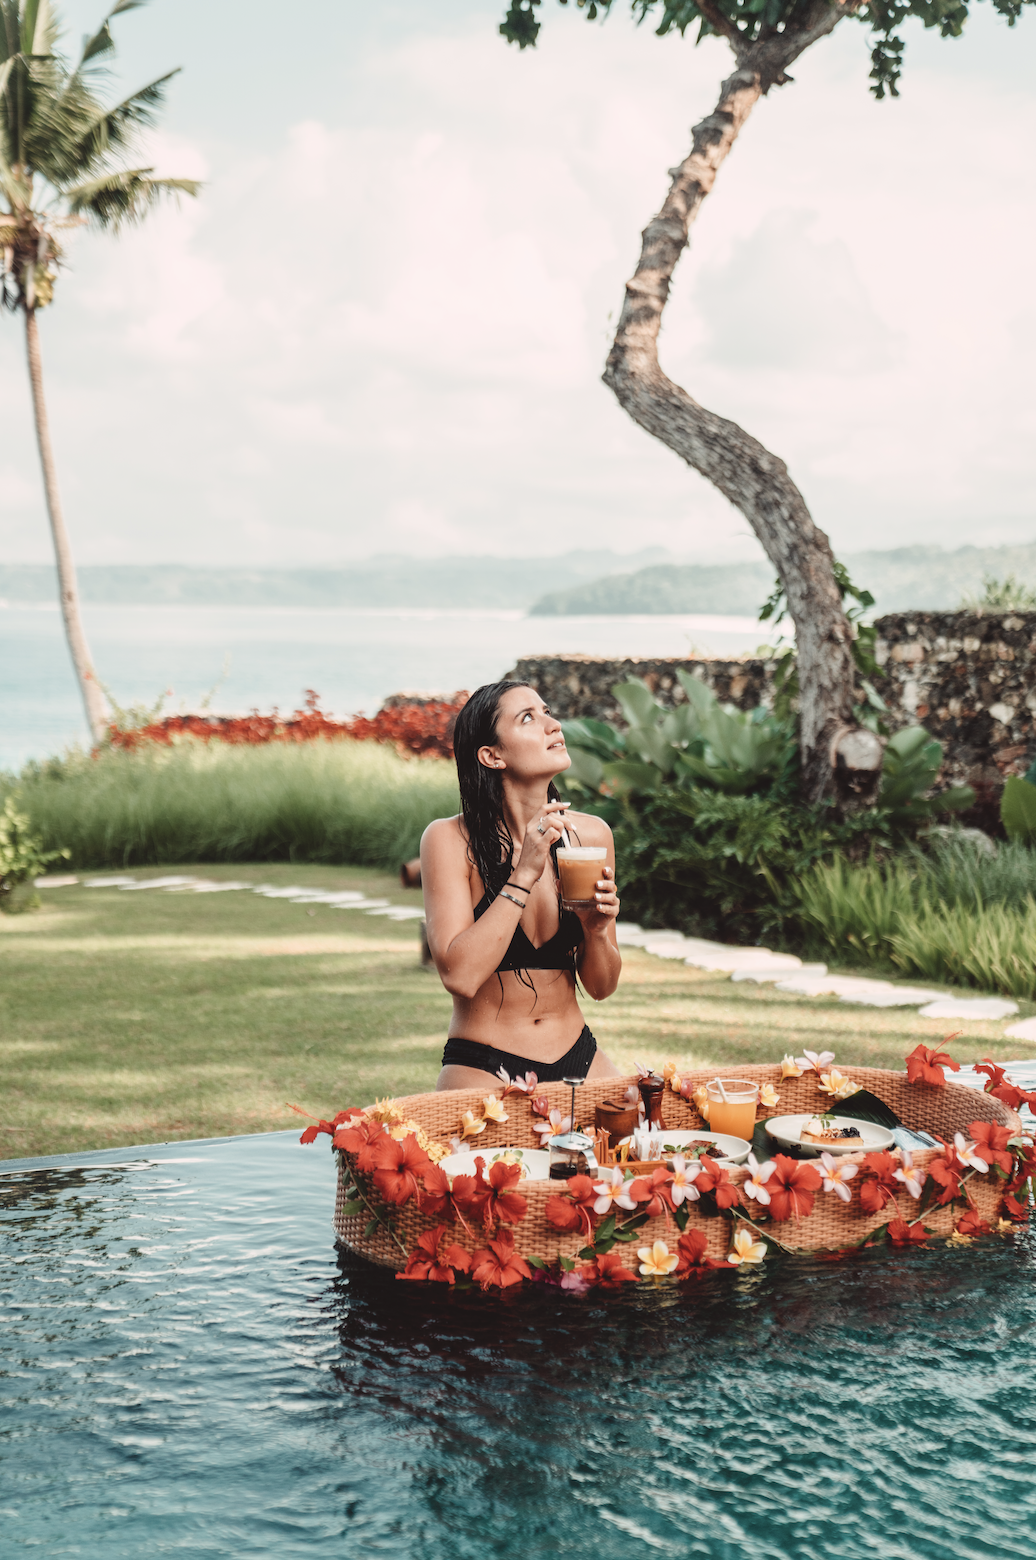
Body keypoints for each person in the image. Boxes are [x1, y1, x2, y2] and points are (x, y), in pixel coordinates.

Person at [421, 680, 623, 1091]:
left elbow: (601, 987)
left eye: (547, 711)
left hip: (579, 1059)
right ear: (491, 755)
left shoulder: (592, 836)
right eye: (528, 717)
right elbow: (459, 976)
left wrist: (596, 931)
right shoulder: (448, 841)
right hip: (483, 1066)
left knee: (640, 1144)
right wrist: (525, 872)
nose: (553, 725)